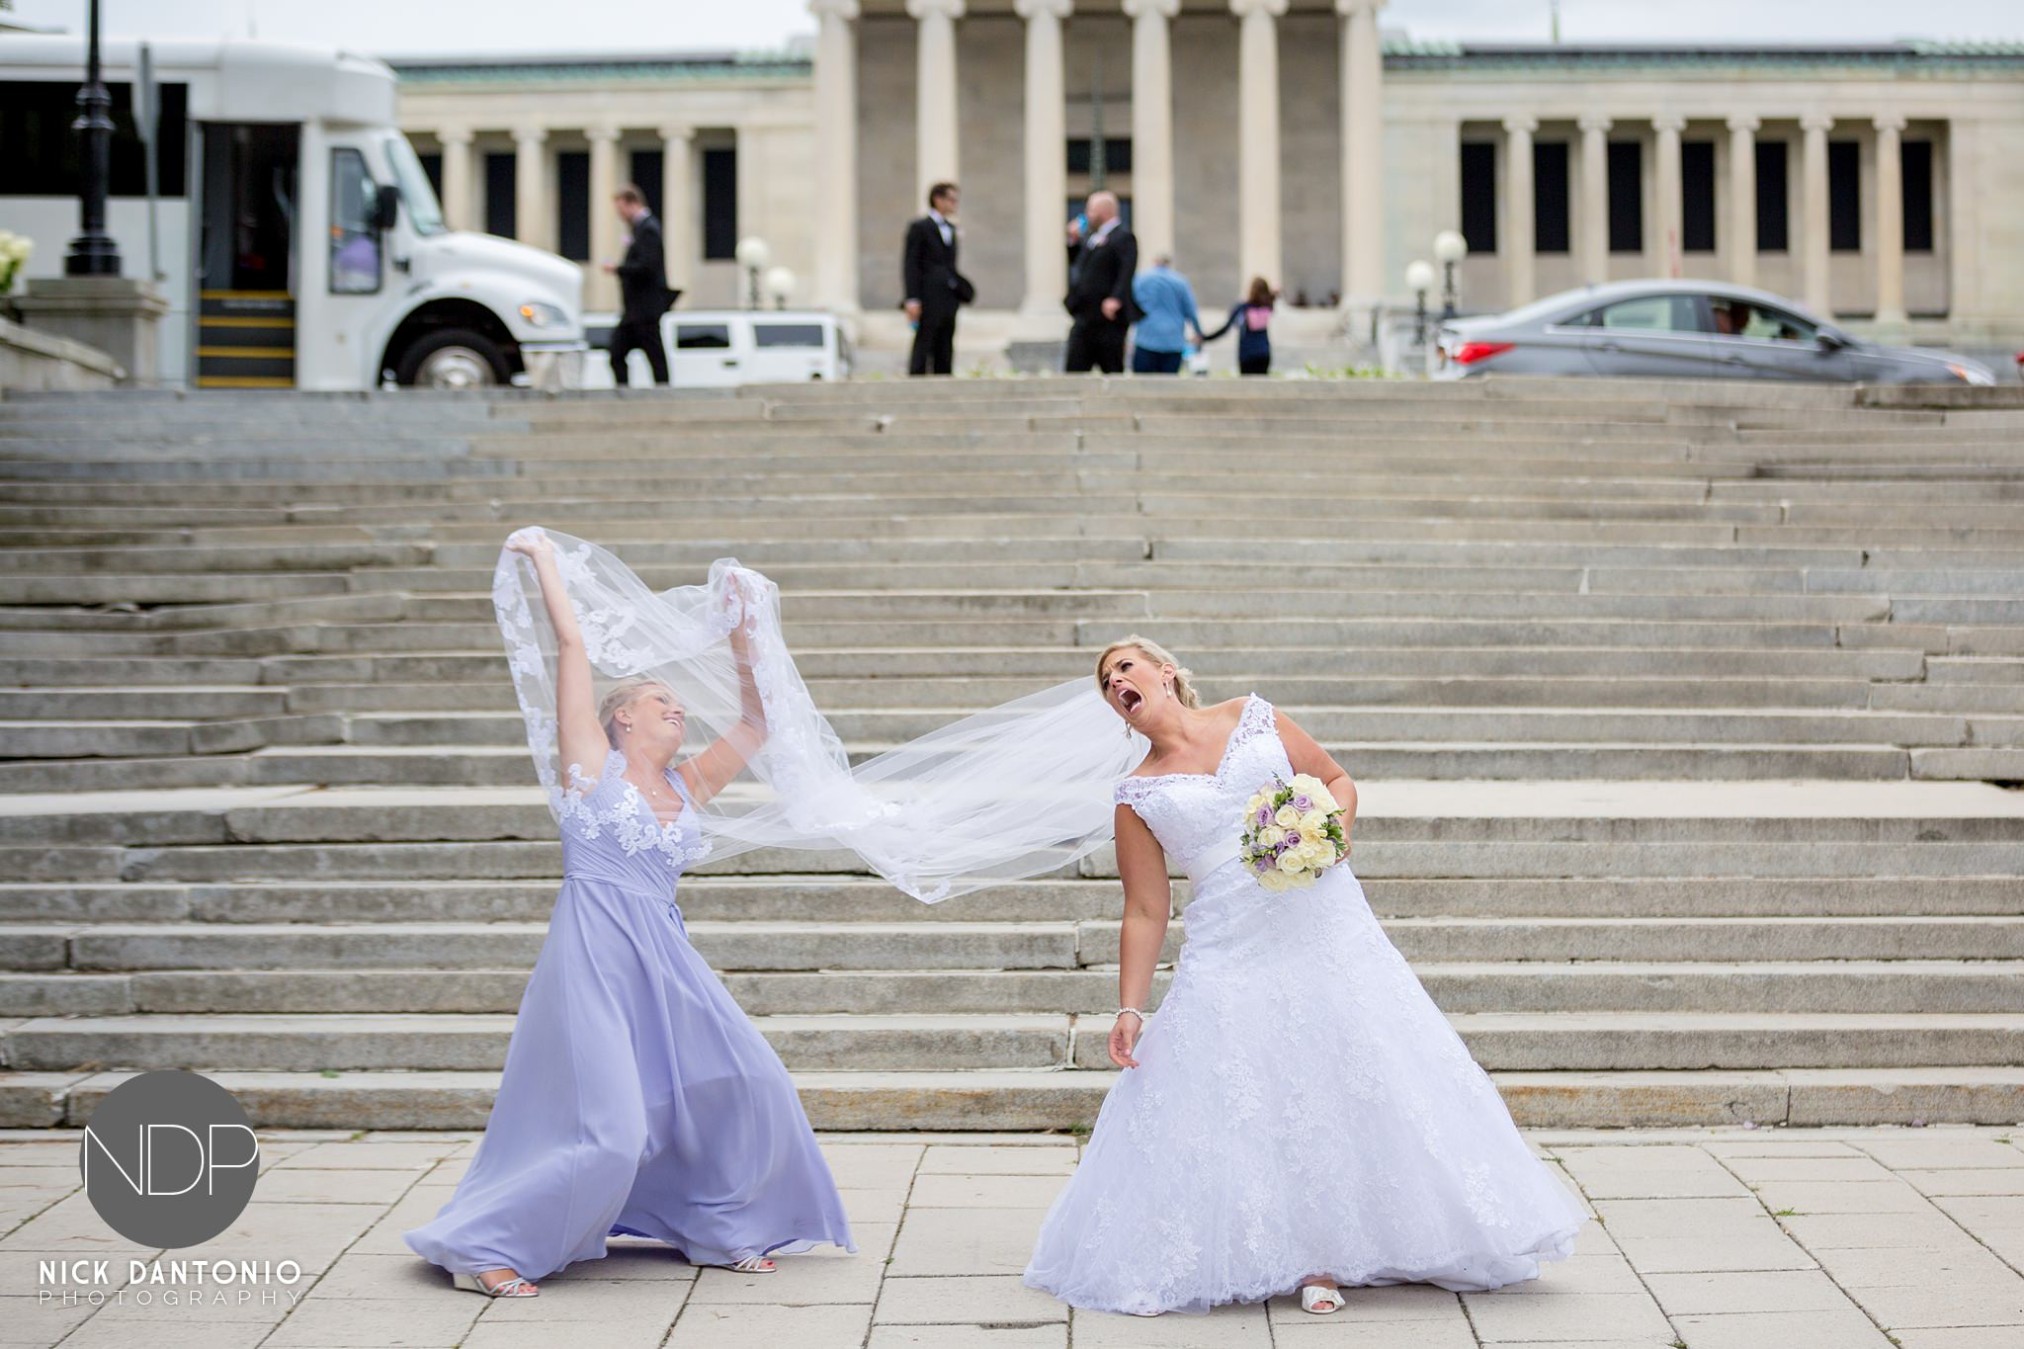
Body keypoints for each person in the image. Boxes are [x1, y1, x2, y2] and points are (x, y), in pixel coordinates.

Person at [1021, 637, 1586, 1317]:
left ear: (1164, 672)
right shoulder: (1137, 793)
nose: (1116, 682)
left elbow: (1338, 782)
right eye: (1107, 681)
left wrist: (1327, 838)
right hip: (1231, 947)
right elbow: (1145, 909)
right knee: (1264, 1086)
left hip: (1324, 923)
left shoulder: (1251, 717)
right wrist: (1129, 1008)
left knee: (1357, 1067)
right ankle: (1307, 1255)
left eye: (1125, 667)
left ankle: (1383, 1238)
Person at [405, 527, 853, 1297]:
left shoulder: (687, 785)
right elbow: (572, 646)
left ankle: (718, 1224)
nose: (677, 709)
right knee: (613, 1131)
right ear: (622, 719)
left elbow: (756, 722)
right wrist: (546, 561)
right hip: (593, 953)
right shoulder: (589, 766)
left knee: (753, 1078)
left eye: (678, 702)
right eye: (660, 701)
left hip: (664, 955)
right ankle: (485, 1247)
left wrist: (745, 626)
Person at [602, 185, 673, 387]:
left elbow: (648, 266)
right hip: (635, 310)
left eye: (620, 209)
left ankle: (663, 392)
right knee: (617, 353)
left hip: (644, 308)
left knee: (653, 354)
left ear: (632, 203)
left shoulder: (648, 229)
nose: (619, 215)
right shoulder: (641, 229)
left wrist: (618, 268)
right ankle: (627, 394)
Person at [1063, 191, 1140, 374]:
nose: (1087, 215)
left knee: (1111, 368)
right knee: (1074, 368)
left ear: (1103, 211)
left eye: (1090, 210)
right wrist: (1073, 241)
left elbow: (1126, 271)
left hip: (1108, 318)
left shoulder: (1123, 237)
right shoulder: (1092, 238)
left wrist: (1116, 298)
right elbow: (1079, 265)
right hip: (1085, 315)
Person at [903, 181, 973, 376]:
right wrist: (912, 298)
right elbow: (911, 264)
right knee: (925, 340)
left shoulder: (951, 228)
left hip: (949, 296)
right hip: (927, 295)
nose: (954, 204)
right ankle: (916, 382)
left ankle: (944, 380)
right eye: (951, 199)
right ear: (938, 199)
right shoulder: (919, 227)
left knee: (946, 342)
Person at [1128, 255, 1202, 375]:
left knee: (1142, 382)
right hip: (1173, 341)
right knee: (1168, 383)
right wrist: (1198, 332)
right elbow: (1191, 311)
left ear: (1154, 263)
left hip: (1146, 339)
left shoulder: (1141, 279)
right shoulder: (1180, 282)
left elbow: (1131, 305)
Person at [1201, 276, 1278, 375]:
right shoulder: (1267, 307)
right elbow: (1273, 297)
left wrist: (1205, 338)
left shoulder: (1243, 308)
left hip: (1247, 354)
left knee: (1247, 383)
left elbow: (1225, 328)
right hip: (1263, 353)